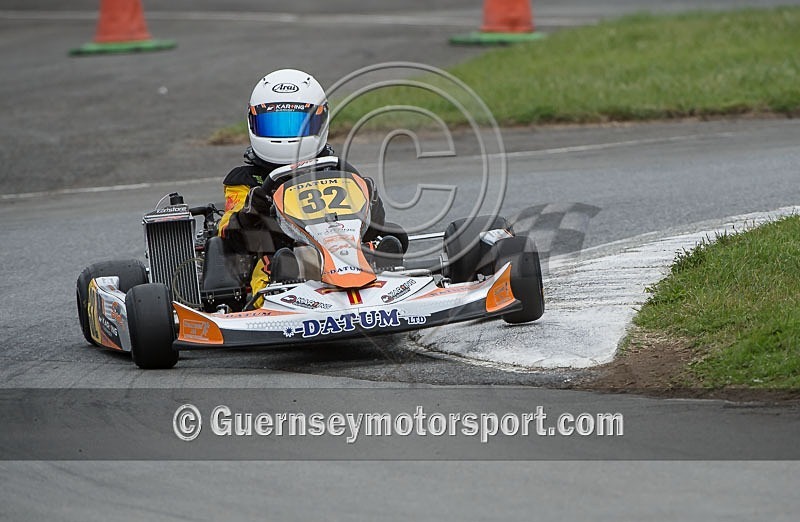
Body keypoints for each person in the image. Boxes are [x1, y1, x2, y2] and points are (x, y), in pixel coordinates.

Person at [217, 69, 403, 302]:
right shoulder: (244, 180)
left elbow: (374, 225)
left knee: (388, 238)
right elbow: (227, 234)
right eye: (274, 125)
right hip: (280, 256)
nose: (285, 137)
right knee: (279, 261)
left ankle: (386, 275)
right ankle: (277, 297)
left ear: (320, 122)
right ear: (254, 123)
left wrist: (369, 198)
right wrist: (254, 209)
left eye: (297, 125)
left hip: (340, 247)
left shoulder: (336, 170)